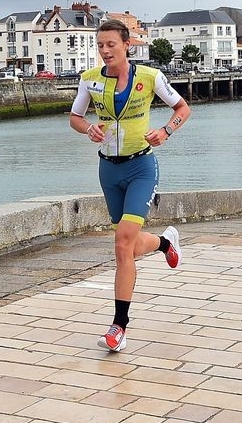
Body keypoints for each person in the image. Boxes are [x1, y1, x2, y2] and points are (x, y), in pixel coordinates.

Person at [69, 18, 192, 352]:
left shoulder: (150, 78)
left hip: (141, 166)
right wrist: (87, 129)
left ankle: (118, 326)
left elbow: (182, 108)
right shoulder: (89, 81)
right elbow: (75, 118)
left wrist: (166, 131)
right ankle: (166, 243)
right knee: (130, 244)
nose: (105, 51)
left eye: (111, 44)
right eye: (100, 45)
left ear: (127, 45)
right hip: (108, 171)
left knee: (122, 245)